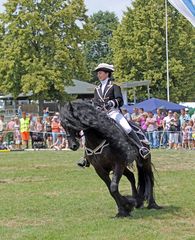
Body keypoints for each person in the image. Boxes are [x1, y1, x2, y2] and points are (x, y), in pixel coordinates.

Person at [77, 63, 150, 168]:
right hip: (101, 115)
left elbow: (120, 100)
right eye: (98, 73)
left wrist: (111, 103)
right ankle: (86, 157)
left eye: (100, 73)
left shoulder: (114, 86)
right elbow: (96, 102)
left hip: (113, 112)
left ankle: (141, 148)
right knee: (90, 130)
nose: (99, 75)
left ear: (107, 73)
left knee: (126, 127)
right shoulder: (97, 89)